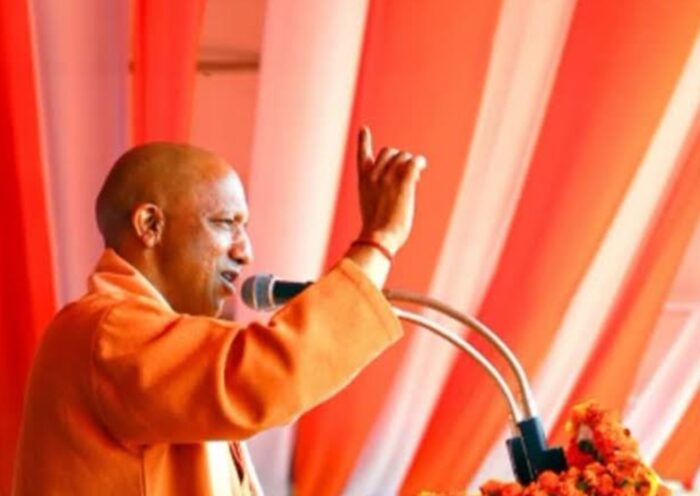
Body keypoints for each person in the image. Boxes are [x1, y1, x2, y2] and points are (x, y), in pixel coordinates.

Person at [12, 127, 426, 495]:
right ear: (150, 225)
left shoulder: (160, 347)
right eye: (226, 223)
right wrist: (378, 242)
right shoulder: (104, 330)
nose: (246, 252)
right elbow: (266, 376)